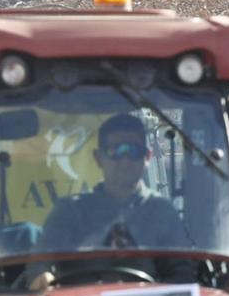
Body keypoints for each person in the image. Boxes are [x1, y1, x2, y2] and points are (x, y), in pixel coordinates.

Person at [35, 113, 194, 281]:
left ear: (147, 157)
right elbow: (39, 260)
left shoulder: (163, 212)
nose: (125, 161)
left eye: (133, 152)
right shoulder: (70, 211)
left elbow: (182, 272)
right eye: (115, 151)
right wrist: (42, 276)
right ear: (98, 158)